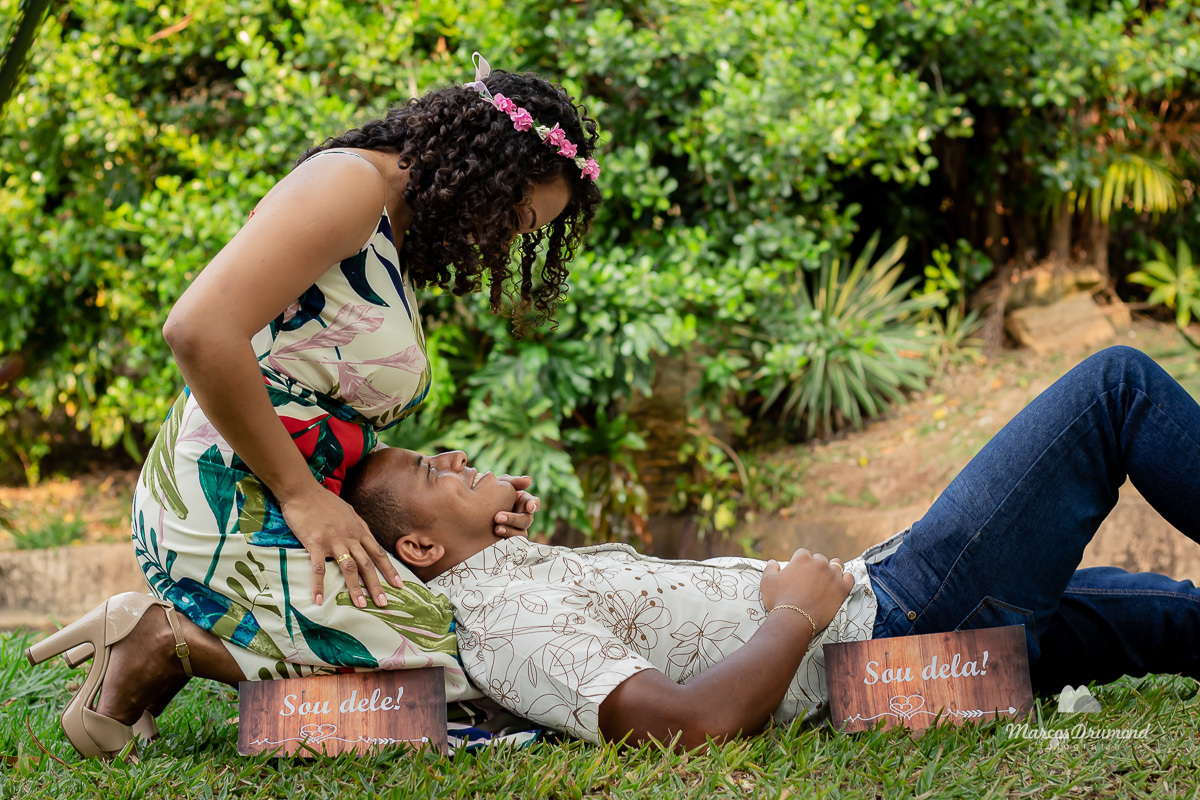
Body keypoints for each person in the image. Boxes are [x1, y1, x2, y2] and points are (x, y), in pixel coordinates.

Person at [24, 53, 602, 758]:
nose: (513, 237)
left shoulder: (393, 222)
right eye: (519, 213)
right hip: (228, 497)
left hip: (277, 493)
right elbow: (198, 330)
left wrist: (473, 508)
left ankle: (166, 648)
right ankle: (162, 644)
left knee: (483, 644)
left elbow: (327, 418)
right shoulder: (349, 184)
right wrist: (301, 496)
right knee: (465, 666)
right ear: (488, 161)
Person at [334, 345, 1200, 748]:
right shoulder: (507, 623)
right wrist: (793, 613)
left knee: (1164, 621)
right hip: (897, 630)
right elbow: (691, 728)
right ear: (414, 544)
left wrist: (497, 533)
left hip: (900, 630)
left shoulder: (512, 576)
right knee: (1112, 389)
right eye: (426, 468)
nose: (449, 455)